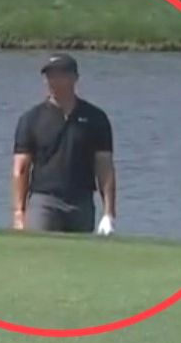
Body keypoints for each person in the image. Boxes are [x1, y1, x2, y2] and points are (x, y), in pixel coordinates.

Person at [12, 53, 118, 235]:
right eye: (49, 76)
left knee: (78, 258)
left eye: (59, 75)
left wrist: (109, 213)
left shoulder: (95, 118)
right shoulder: (31, 119)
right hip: (44, 200)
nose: (53, 81)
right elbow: (20, 169)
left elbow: (105, 167)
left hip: (81, 202)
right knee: (40, 251)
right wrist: (19, 213)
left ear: (74, 78)